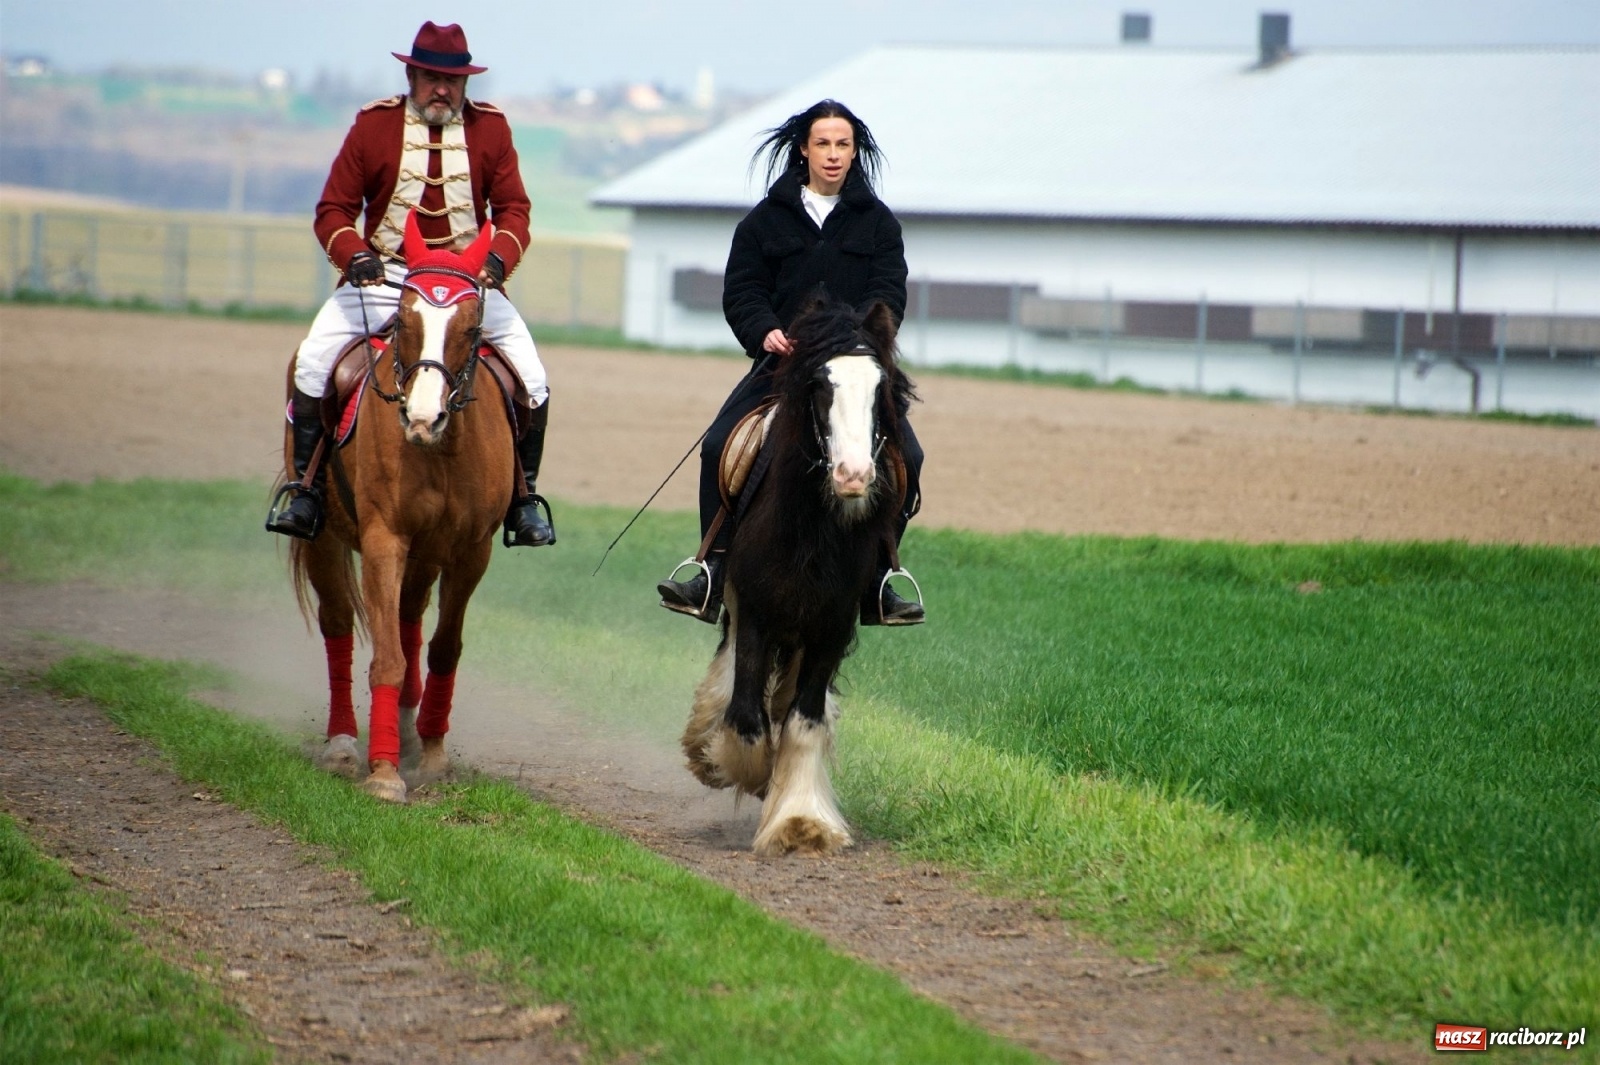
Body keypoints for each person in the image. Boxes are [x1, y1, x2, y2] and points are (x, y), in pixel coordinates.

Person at [266, 21, 554, 547]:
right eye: (429, 77)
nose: (441, 89)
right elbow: (334, 210)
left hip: (468, 284)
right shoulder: (373, 126)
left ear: (466, 83)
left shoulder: (492, 130)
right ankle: (305, 491)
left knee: (532, 378)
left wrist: (497, 260)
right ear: (410, 74)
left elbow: (514, 210)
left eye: (452, 79)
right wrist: (354, 257)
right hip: (386, 276)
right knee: (311, 362)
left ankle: (522, 500)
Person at [656, 99, 925, 626]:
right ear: (804, 148)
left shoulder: (879, 225)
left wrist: (862, 342)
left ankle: (878, 579)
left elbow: (888, 294)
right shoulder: (763, 221)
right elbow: (743, 291)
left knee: (909, 459)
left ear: (854, 152)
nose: (832, 154)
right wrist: (766, 332)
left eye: (842, 144)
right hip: (782, 369)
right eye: (822, 143)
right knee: (716, 447)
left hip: (855, 373)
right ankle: (710, 570)